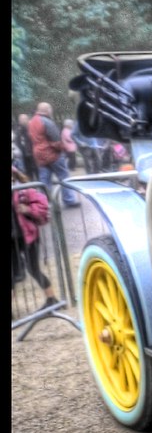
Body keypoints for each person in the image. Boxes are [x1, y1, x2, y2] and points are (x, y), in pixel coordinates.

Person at [11, 166, 59, 310]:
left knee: (33, 269)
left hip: (28, 237)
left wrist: (28, 209)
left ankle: (52, 299)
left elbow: (43, 206)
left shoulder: (25, 190)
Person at [28, 102, 77, 208]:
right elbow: (56, 141)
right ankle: (69, 200)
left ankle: (44, 204)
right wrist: (62, 149)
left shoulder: (31, 122)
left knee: (44, 180)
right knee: (64, 176)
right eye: (50, 109)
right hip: (52, 154)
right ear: (47, 110)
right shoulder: (46, 121)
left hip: (39, 154)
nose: (51, 111)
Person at [15, 113, 37, 182]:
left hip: (34, 154)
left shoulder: (33, 128)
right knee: (29, 173)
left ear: (28, 119)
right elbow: (17, 143)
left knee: (38, 171)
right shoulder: (18, 131)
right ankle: (33, 187)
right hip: (25, 156)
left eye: (25, 119)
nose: (24, 121)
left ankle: (41, 186)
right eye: (22, 119)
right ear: (19, 121)